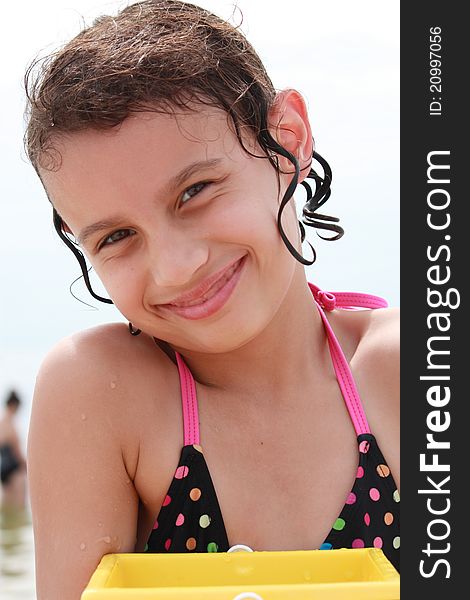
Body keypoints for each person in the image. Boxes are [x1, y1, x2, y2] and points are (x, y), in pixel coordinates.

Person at [24, 1, 400, 598]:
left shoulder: (408, 369)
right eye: (117, 236)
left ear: (288, 140)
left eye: (195, 191)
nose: (175, 267)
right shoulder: (103, 394)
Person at [0, 390, 27, 509]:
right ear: (14, 405)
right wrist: (28, 467)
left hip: (4, 470)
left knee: (6, 508)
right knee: (19, 507)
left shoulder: (1, 424)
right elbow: (17, 453)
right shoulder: (10, 424)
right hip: (15, 470)